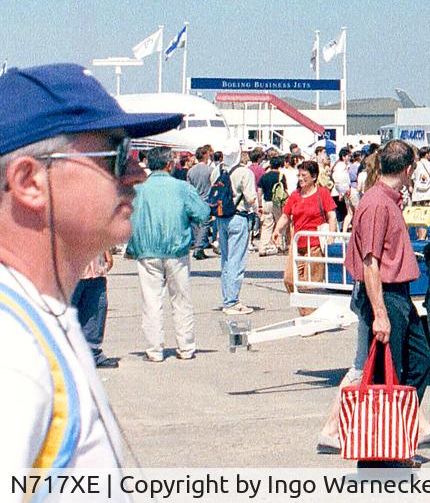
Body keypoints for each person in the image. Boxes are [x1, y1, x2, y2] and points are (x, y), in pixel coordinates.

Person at [0, 63, 186, 467]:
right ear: (30, 181)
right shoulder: (11, 351)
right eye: (116, 154)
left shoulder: (33, 317)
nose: (137, 173)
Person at [348, 141, 430, 460]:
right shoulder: (378, 203)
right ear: (409, 169)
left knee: (420, 359)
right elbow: (370, 262)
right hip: (386, 296)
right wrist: (380, 313)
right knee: (387, 374)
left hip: (399, 297)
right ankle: (385, 451)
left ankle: (398, 435)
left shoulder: (388, 201)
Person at [126, 145, 210, 363]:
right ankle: (186, 347)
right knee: (181, 299)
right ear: (169, 164)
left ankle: (154, 350)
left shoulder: (139, 189)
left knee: (151, 301)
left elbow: (129, 219)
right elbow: (202, 213)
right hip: (176, 249)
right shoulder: (181, 188)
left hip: (147, 250)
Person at [276, 159, 339, 310]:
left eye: (304, 175)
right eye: (299, 175)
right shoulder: (295, 195)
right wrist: (277, 230)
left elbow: (332, 216)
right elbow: (286, 215)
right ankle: (305, 313)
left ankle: (310, 317)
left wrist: (331, 235)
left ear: (314, 177)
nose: (300, 179)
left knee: (310, 283)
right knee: (290, 279)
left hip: (315, 244)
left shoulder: (322, 193)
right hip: (297, 243)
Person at [211, 148, 261, 314]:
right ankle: (232, 301)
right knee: (237, 259)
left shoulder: (216, 171)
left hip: (221, 217)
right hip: (238, 216)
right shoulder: (244, 173)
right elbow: (250, 198)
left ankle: (227, 298)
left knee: (225, 260)